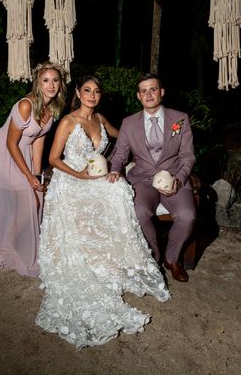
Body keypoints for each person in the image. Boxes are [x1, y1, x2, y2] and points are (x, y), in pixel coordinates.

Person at [36, 75, 169, 349]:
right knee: (110, 190)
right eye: (87, 90)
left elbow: (128, 135)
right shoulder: (68, 121)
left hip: (95, 177)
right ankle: (90, 258)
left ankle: (115, 260)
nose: (92, 95)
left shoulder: (101, 119)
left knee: (118, 188)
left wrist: (152, 142)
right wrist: (79, 176)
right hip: (70, 180)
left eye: (96, 92)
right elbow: (52, 159)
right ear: (78, 92)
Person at [0, 62, 67, 277]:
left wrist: (37, 176)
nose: (51, 85)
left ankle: (10, 247)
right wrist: (28, 176)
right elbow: (11, 143)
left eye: (55, 80)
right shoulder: (26, 105)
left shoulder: (52, 107)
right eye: (46, 80)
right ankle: (6, 251)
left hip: (25, 152)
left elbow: (39, 139)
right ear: (37, 82)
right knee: (29, 199)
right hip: (4, 153)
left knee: (37, 194)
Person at [108, 73, 196, 282]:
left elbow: (188, 156)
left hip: (174, 177)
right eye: (144, 91)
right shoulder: (129, 123)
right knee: (139, 212)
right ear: (138, 96)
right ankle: (153, 259)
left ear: (161, 92)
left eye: (153, 89)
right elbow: (120, 153)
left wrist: (179, 180)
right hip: (142, 179)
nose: (149, 94)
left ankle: (172, 258)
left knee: (187, 216)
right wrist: (114, 169)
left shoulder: (180, 119)